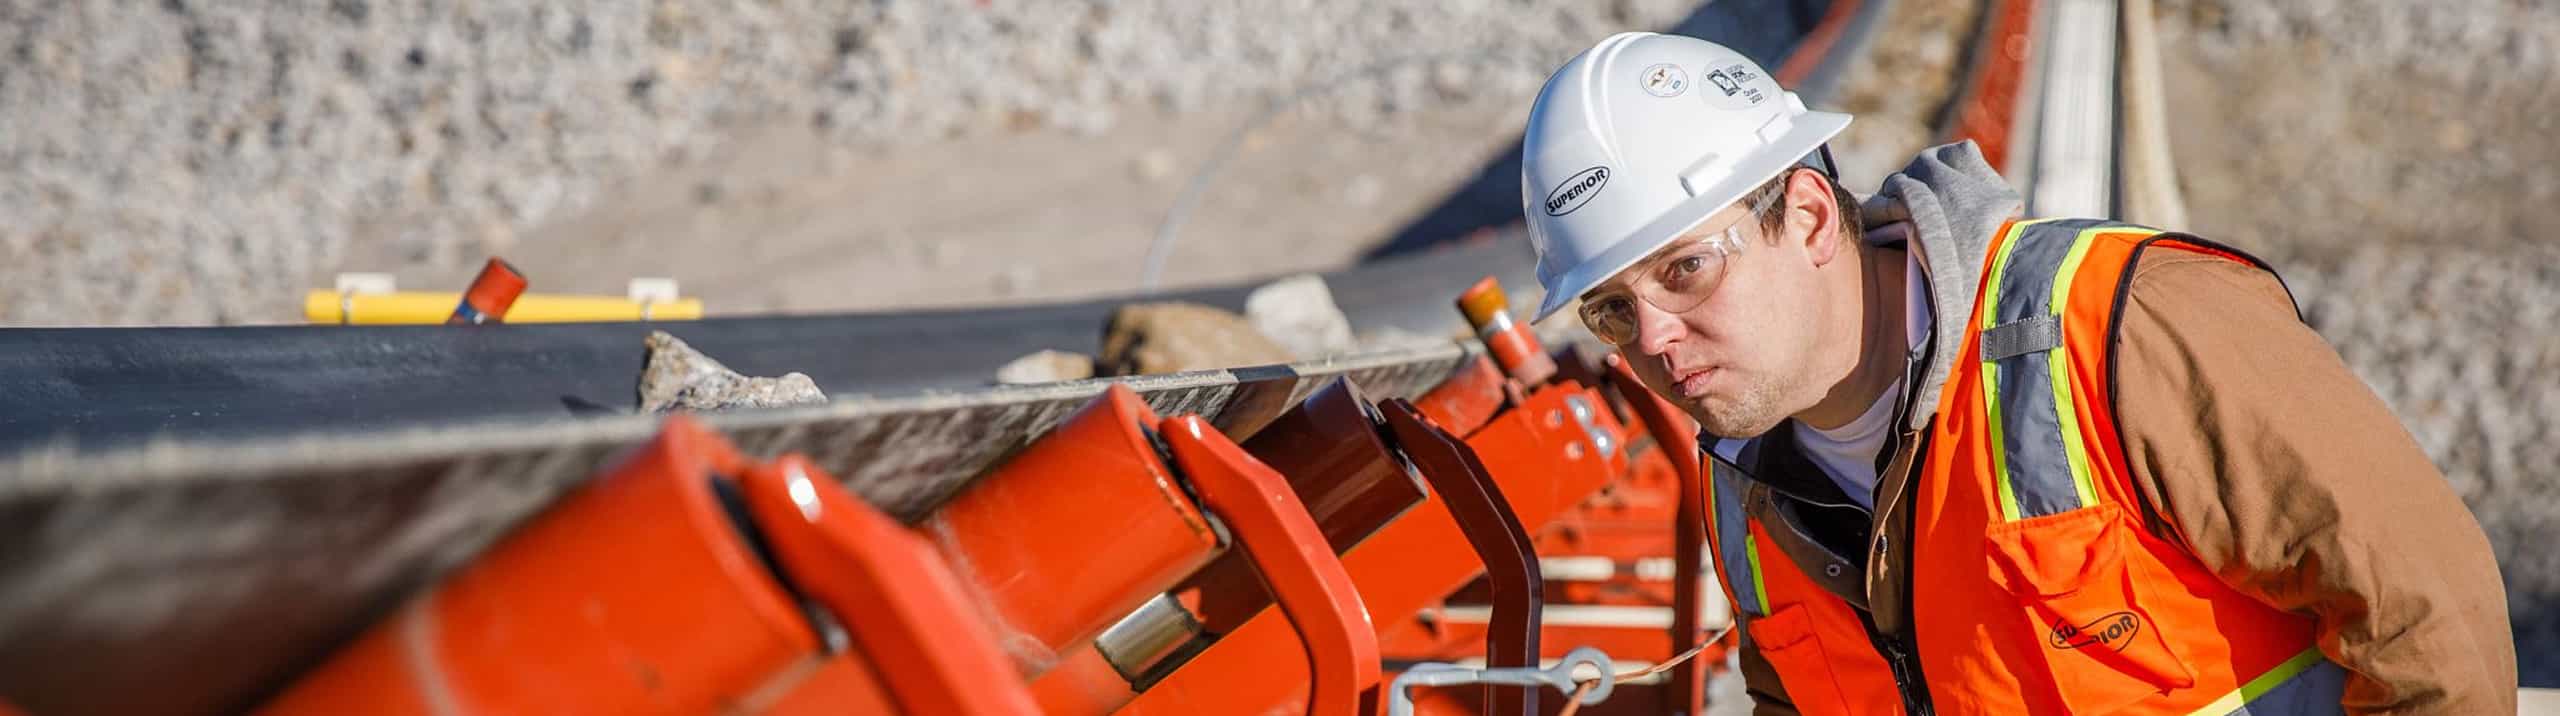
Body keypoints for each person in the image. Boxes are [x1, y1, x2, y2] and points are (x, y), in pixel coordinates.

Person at [1517, 32, 2515, 714]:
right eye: (1611, 309)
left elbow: (2426, 610)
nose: (1653, 336)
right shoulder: (1742, 488)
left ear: (1812, 218)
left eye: (1685, 269)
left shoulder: (2121, 329)